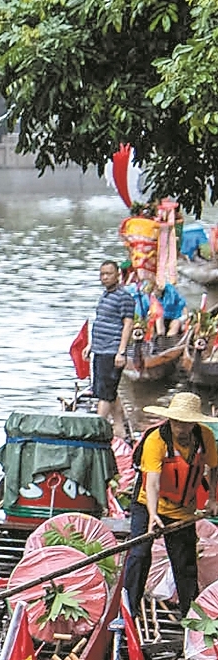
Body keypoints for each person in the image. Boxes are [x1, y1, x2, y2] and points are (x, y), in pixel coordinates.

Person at [124, 391, 217, 619]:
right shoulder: (156, 440)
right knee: (139, 553)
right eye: (176, 422)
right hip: (148, 504)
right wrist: (153, 514)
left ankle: (191, 616)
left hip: (183, 508)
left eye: (186, 424)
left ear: (194, 422)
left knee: (184, 562)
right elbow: (153, 482)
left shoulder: (204, 438)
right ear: (170, 420)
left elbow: (214, 469)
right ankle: (129, 610)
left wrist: (214, 498)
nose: (181, 429)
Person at [88, 258, 146, 441]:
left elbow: (128, 325)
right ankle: (120, 428)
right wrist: (91, 345)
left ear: (117, 275)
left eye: (108, 274)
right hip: (100, 348)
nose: (104, 277)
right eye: (102, 274)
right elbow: (101, 321)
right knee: (107, 391)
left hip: (112, 350)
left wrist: (121, 352)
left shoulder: (124, 297)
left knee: (105, 393)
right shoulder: (105, 295)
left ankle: (97, 429)